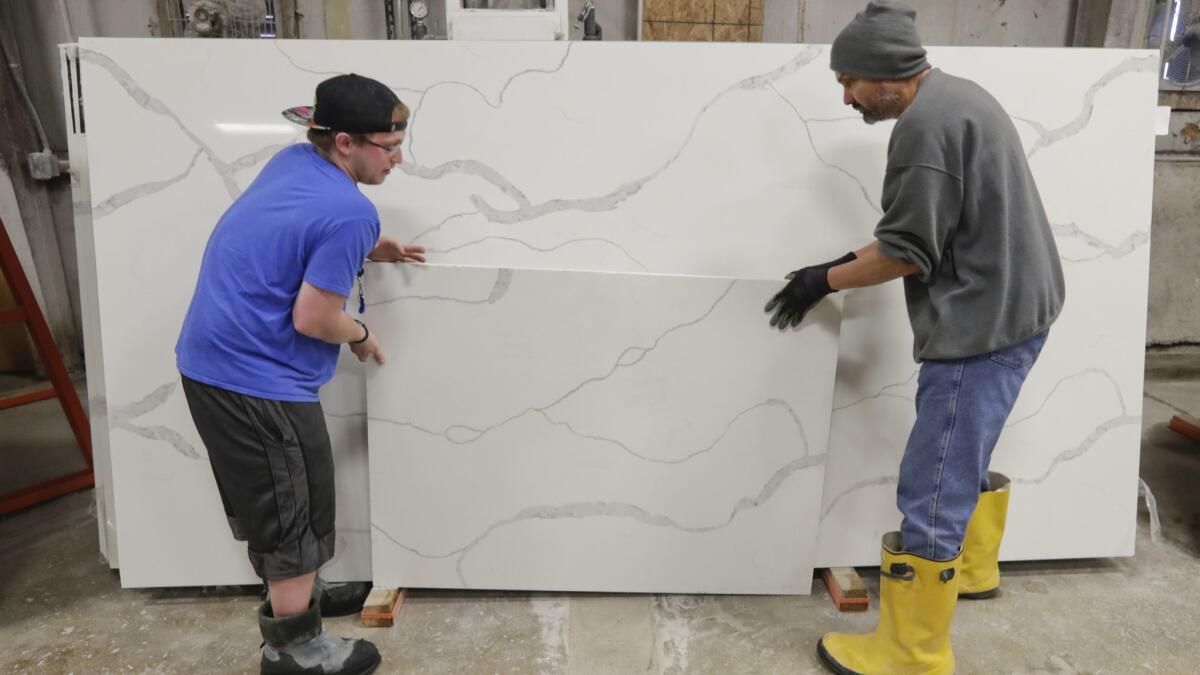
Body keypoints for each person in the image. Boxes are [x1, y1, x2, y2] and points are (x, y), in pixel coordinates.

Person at [763, 2, 1065, 672]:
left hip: (980, 325)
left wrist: (824, 280)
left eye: (852, 81)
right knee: (965, 449)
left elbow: (908, 252)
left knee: (932, 479)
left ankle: (912, 650)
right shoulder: (960, 97)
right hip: (1024, 305)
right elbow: (932, 222)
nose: (846, 96)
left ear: (890, 75)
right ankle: (975, 568)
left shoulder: (922, 130)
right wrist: (847, 258)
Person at [176, 73, 426, 675]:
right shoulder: (347, 212)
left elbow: (292, 230)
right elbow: (316, 318)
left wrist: (368, 246)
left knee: (296, 494)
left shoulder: (295, 163)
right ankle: (294, 648)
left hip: (216, 362)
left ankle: (301, 596)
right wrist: (362, 336)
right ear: (343, 142)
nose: (398, 159)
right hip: (253, 378)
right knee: (290, 506)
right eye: (388, 147)